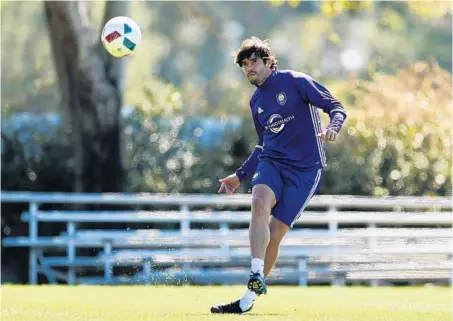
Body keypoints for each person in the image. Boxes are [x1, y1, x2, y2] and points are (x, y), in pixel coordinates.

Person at [210, 36, 347, 314]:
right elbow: (262, 145)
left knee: (275, 234)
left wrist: (333, 126)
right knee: (259, 202)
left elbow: (336, 106)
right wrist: (240, 174)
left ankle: (247, 300)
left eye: (254, 62)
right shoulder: (255, 102)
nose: (249, 68)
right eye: (244, 64)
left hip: (306, 170)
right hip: (273, 163)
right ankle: (256, 273)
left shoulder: (296, 81)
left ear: (269, 62)